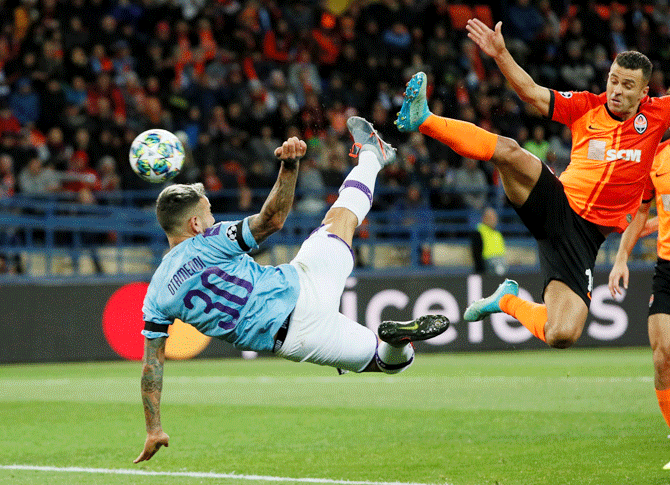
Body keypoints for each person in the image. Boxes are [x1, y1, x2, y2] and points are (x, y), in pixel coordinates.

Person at [133, 117, 450, 463]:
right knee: (341, 219)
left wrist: (154, 428)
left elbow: (153, 365)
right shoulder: (211, 240)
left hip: (299, 334)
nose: (212, 218)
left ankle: (395, 339)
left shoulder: (157, 294)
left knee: (390, 363)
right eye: (208, 214)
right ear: (195, 224)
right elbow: (271, 220)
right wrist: (288, 167)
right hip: (303, 278)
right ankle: (373, 155)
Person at [396, 18, 670, 349]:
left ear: (644, 92)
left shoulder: (657, 115)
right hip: (558, 203)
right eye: (613, 80)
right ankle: (424, 119)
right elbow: (530, 92)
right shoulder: (586, 106)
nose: (616, 90)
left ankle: (505, 301)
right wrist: (500, 54)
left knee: (562, 334)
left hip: (583, 241)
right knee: (509, 151)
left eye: (627, 85)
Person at [608, 138, 670, 468]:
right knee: (662, 358)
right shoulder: (656, 159)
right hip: (667, 269)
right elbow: (642, 212)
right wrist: (621, 258)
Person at [471, 207, 507, 276]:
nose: (494, 220)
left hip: (500, 264)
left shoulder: (498, 234)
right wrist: (481, 272)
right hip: (487, 268)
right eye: (491, 217)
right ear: (484, 218)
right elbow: (476, 254)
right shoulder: (478, 232)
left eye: (495, 217)